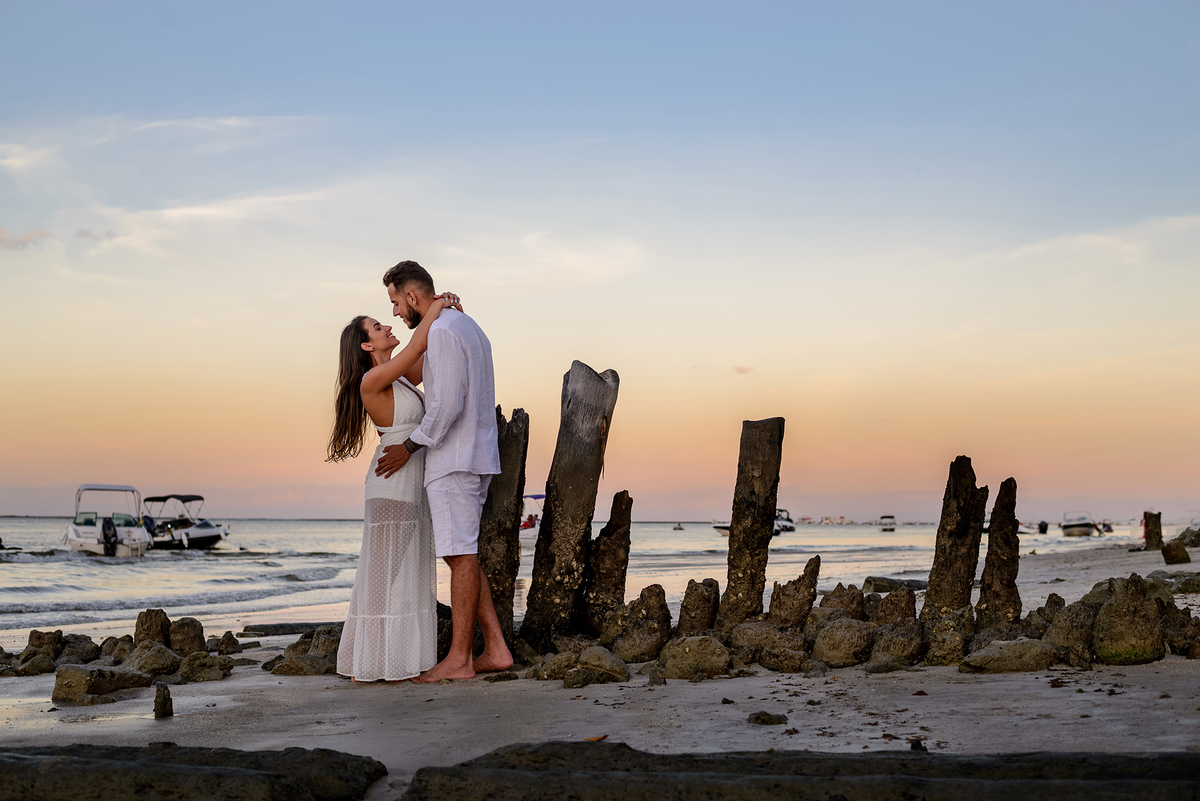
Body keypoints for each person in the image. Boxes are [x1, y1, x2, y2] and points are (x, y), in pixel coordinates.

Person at [374, 260, 513, 682]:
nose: (396, 312)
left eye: (396, 302)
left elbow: (447, 403)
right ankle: (496, 649)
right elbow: (420, 372)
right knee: (461, 553)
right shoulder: (461, 326)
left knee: (461, 556)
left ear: (412, 296)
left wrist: (409, 446)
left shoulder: (446, 330)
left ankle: (458, 659)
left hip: (455, 459)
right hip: (468, 455)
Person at [326, 290, 460, 682]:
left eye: (387, 320)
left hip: (408, 483)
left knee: (399, 572)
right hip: (391, 486)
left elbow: (428, 355)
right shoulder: (373, 378)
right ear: (367, 345)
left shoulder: (399, 375)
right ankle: (364, 663)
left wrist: (436, 310)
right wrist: (437, 306)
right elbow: (419, 341)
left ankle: (385, 658)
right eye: (378, 327)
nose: (388, 325)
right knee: (383, 575)